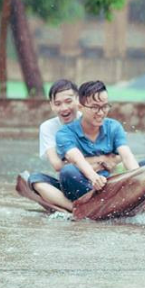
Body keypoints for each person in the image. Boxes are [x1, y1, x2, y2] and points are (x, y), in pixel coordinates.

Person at [16, 79, 120, 213]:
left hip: (101, 180)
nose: (64, 108)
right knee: (36, 179)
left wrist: (102, 164)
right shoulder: (48, 127)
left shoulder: (90, 117)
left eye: (69, 101)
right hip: (70, 181)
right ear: (51, 105)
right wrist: (100, 161)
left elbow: (116, 157)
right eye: (58, 103)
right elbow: (57, 165)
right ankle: (75, 208)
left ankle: (96, 204)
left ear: (79, 101)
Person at [56, 81, 143, 202]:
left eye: (105, 106)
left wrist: (138, 179)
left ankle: (126, 196)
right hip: (85, 184)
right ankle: (105, 200)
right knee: (67, 172)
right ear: (80, 107)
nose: (101, 112)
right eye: (95, 107)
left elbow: (126, 155)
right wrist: (94, 177)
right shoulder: (65, 133)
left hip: (111, 181)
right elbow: (76, 159)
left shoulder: (113, 127)